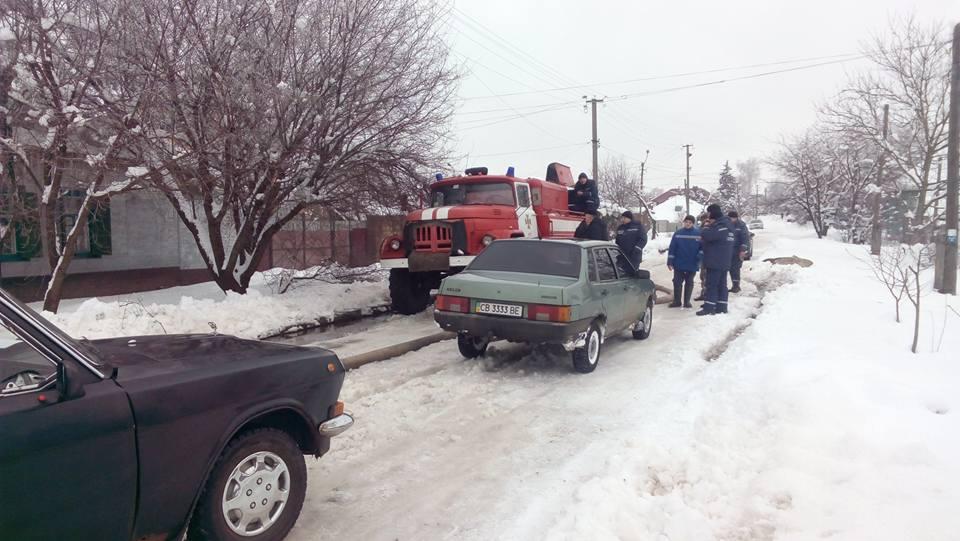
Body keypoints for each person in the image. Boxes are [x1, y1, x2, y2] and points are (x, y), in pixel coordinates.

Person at [697, 204, 735, 316]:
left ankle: (709, 307)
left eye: (709, 213)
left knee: (712, 284)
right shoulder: (728, 225)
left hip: (716, 260)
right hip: (724, 260)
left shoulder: (721, 226)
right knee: (722, 284)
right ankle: (721, 306)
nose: (708, 216)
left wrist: (705, 228)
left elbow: (709, 236)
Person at [667, 215, 702, 308]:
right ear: (684, 222)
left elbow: (703, 247)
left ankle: (687, 302)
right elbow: (672, 248)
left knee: (689, 282)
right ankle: (677, 301)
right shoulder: (678, 233)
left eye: (690, 222)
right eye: (686, 222)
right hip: (679, 263)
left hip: (692, 263)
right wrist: (670, 261)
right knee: (677, 282)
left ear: (693, 224)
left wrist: (700, 256)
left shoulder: (698, 234)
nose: (687, 224)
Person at [727, 210, 750, 293]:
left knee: (735, 269)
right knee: (725, 268)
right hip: (727, 250)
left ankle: (736, 286)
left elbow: (745, 238)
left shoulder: (741, 225)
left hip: (737, 250)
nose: (732, 220)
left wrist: (743, 250)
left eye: (733, 218)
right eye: (730, 218)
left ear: (736, 218)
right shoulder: (725, 224)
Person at [693, 212, 709, 302]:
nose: (704, 221)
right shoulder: (699, 229)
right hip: (703, 256)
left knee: (707, 275)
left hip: (710, 256)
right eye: (703, 220)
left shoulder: (712, 227)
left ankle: (707, 293)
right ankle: (704, 292)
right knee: (703, 275)